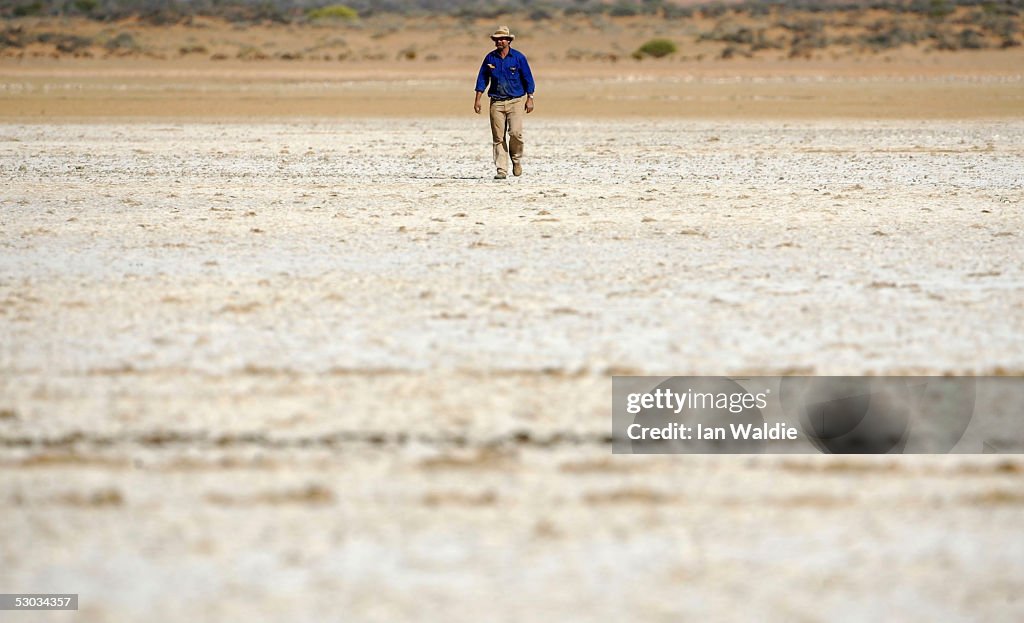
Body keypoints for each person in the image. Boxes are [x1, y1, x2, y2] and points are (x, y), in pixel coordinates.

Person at [474, 25, 535, 180]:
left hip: (515, 101)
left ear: (509, 41)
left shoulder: (518, 58)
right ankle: (501, 169)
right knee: (498, 137)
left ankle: (516, 160)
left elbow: (528, 78)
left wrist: (530, 98)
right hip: (496, 102)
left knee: (515, 133)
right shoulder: (490, 58)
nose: (500, 41)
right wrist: (478, 99)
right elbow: (482, 79)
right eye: (497, 39)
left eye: (503, 39)